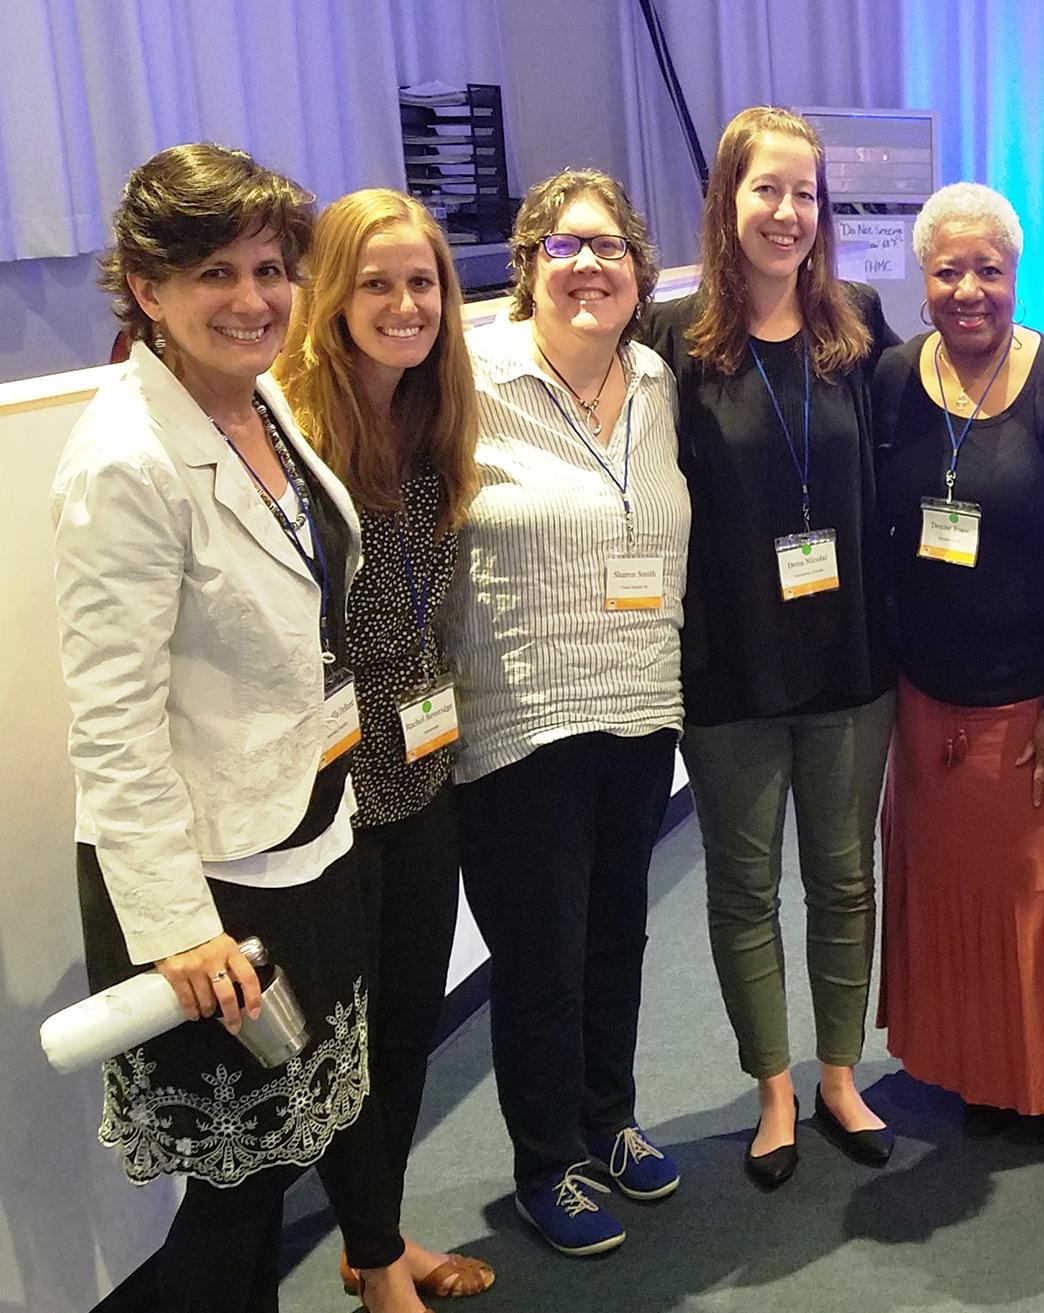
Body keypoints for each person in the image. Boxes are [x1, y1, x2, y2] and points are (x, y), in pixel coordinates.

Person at [52, 144, 423, 1313]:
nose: (254, 297)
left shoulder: (251, 397)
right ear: (146, 287)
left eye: (270, 267)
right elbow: (110, 722)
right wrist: (176, 929)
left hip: (302, 825)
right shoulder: (126, 460)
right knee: (240, 1184)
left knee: (307, 1124)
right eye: (215, 271)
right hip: (210, 884)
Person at [639, 106, 899, 1189]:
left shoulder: (861, 326)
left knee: (843, 880)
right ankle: (775, 1090)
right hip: (731, 665)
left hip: (850, 662)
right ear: (727, 201)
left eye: (805, 193)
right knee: (744, 889)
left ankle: (840, 1073)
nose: (788, 212)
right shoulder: (675, 339)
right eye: (767, 190)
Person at [451, 170, 691, 1256]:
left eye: (606, 247)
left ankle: (611, 1118)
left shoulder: (652, 376)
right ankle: (547, 1158)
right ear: (527, 267)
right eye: (561, 246)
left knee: (618, 936)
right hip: (523, 713)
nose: (585, 264)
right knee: (541, 951)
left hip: (641, 707)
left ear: (638, 273)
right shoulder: (471, 374)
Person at [872, 181, 1044, 1155]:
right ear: (923, 277)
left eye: (989, 269)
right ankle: (981, 1071)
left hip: (1040, 701)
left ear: (1016, 274)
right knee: (957, 893)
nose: (969, 289)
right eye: (949, 270)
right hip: (931, 701)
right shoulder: (897, 380)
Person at [276, 187, 494, 1302]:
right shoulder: (297, 434)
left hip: (421, 772)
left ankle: (383, 1233)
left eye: (423, 283)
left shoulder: (432, 418)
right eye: (377, 282)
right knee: (346, 1038)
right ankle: (373, 1261)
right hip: (330, 801)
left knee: (405, 1025)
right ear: (332, 295)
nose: (405, 303)